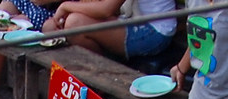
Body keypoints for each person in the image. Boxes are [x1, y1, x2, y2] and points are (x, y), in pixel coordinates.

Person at [43, 0, 184, 69]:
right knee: (69, 22)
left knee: (75, 24)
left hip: (154, 32)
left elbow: (106, 9)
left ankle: (102, 74)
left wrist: (65, 6)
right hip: (135, 19)